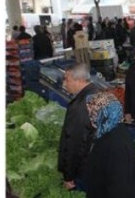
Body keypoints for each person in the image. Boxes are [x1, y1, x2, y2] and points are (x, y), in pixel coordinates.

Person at [85, 92, 135, 198]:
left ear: (103, 114)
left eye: (92, 111)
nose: (89, 115)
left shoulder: (113, 142)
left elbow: (119, 184)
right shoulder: (114, 130)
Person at [58, 63, 100, 191]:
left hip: (84, 169)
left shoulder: (80, 107)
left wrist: (69, 175)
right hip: (99, 163)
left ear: (80, 80)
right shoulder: (97, 93)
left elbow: (74, 143)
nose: (64, 83)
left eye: (67, 79)